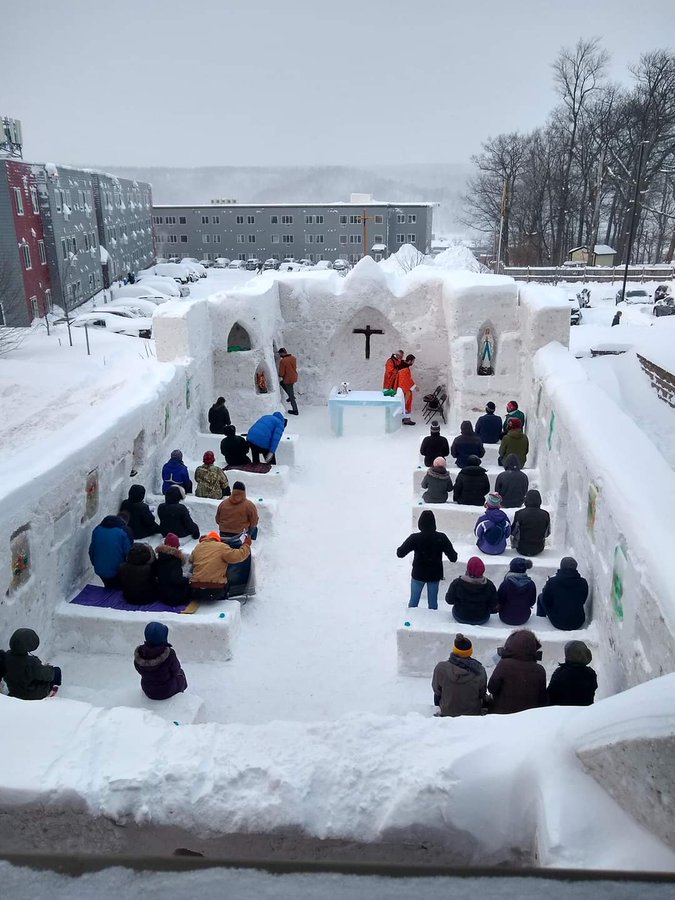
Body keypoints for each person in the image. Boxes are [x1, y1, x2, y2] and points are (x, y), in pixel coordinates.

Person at [396, 509, 458, 610]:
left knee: (413, 602)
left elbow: (400, 553)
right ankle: (432, 623)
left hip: (418, 574)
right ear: (434, 523)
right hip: (434, 575)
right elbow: (453, 558)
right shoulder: (441, 537)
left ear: (420, 523)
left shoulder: (415, 538)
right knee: (433, 604)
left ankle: (410, 619)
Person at [487, 629, 547, 714]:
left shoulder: (504, 664)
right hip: (530, 717)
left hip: (502, 715)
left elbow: (491, 688)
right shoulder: (540, 670)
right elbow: (542, 700)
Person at [432, 634, 488, 717]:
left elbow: (437, 690)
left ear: (454, 650)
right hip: (472, 713)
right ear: (470, 652)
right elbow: (482, 693)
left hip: (447, 711)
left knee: (438, 693)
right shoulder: (480, 670)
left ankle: (440, 709)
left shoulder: (441, 667)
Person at [189, 531, 252, 601]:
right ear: (218, 540)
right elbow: (238, 556)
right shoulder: (222, 547)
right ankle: (224, 598)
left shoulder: (198, 547)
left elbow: (191, 560)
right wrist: (246, 545)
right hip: (215, 590)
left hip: (196, 589)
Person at [1, 629, 62, 700]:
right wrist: (49, 668)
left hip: (14, 691)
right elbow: (47, 675)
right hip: (31, 694)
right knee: (56, 671)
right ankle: (51, 690)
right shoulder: (31, 663)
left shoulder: (5, 657)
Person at [134, 621, 187, 701]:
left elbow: (139, 669)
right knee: (181, 674)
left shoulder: (140, 654)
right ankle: (180, 697)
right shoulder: (169, 654)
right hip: (166, 691)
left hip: (148, 690)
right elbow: (176, 670)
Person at [537, 557, 589, 631]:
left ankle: (541, 620)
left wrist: (547, 587)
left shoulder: (552, 582)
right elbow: (583, 600)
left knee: (540, 597)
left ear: (561, 566)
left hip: (558, 622)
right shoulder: (583, 582)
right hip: (578, 622)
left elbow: (546, 600)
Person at [445, 557, 498, 625]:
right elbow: (493, 605)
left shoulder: (457, 583)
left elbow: (449, 600)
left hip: (460, 616)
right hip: (482, 618)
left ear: (468, 569)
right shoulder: (489, 585)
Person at [547, 641, 598, 706]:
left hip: (561, 713)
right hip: (585, 712)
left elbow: (550, 696)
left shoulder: (560, 673)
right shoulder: (590, 674)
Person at [88, 515, 133, 588]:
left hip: (99, 569)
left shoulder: (97, 529)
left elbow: (91, 550)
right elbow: (129, 553)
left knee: (109, 586)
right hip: (117, 570)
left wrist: (96, 563)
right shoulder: (125, 531)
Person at [152, 533, 191, 607]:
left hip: (161, 595)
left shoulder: (160, 558)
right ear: (177, 546)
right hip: (173, 598)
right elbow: (176, 579)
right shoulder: (175, 561)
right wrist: (186, 580)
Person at [497, 557, 536, 626]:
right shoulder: (531, 584)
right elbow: (532, 602)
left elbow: (500, 600)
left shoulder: (506, 584)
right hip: (524, 617)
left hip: (505, 617)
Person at [511, 490, 550, 557]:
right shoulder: (545, 514)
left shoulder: (519, 513)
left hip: (521, 548)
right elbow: (547, 533)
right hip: (538, 548)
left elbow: (513, 532)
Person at [278, 347, 299, 416]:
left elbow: (281, 373)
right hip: (294, 376)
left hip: (288, 379)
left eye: (280, 354)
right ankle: (291, 396)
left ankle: (295, 410)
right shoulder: (293, 358)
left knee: (291, 394)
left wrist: (279, 374)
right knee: (282, 384)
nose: (280, 355)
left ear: (282, 353)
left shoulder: (283, 361)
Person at [397, 354, 417, 426]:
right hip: (405, 389)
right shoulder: (405, 369)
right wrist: (414, 387)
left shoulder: (401, 365)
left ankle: (404, 418)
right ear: (409, 361)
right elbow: (407, 380)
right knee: (407, 403)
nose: (413, 363)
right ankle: (407, 420)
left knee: (403, 403)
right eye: (413, 361)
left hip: (400, 388)